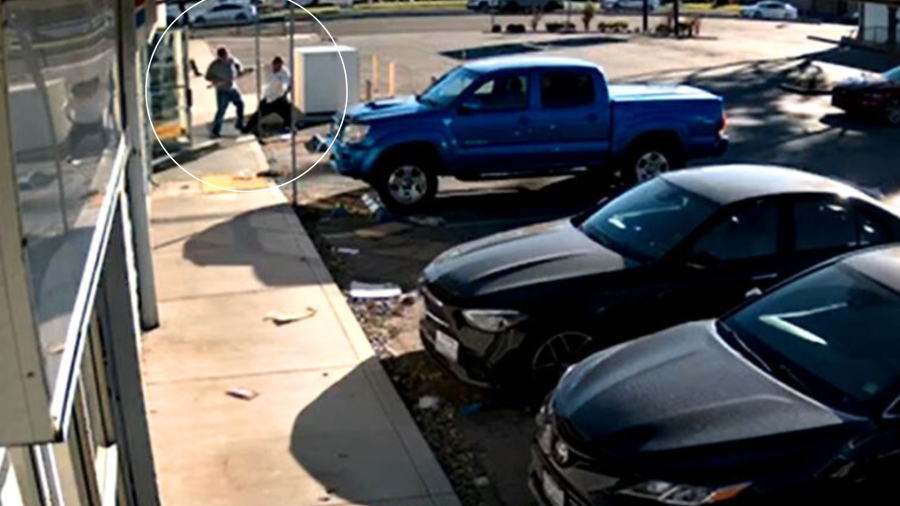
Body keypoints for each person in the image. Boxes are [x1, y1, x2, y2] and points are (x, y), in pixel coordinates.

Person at [243, 56, 293, 138]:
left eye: (281, 65)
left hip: (279, 98)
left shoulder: (285, 72)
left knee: (287, 112)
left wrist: (284, 89)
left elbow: (286, 83)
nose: (279, 67)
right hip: (269, 97)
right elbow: (257, 68)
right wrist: (248, 70)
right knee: (259, 113)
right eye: (277, 65)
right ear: (273, 64)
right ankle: (247, 128)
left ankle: (288, 126)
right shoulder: (268, 68)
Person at [205, 47, 245, 138]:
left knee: (240, 104)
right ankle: (216, 130)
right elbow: (208, 76)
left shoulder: (233, 61)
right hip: (222, 90)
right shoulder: (214, 65)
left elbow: (240, 70)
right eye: (223, 57)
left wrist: (239, 74)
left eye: (226, 55)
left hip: (232, 88)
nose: (226, 58)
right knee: (221, 110)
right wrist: (217, 80)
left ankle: (240, 123)